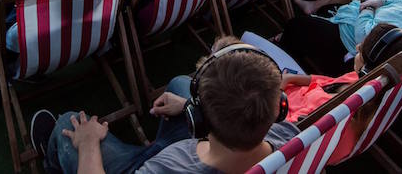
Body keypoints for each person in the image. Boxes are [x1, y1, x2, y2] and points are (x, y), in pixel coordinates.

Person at [33, 36, 300, 173]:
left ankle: (53, 155)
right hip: (203, 147)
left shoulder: (162, 170)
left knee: (68, 124)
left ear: (200, 117)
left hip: (155, 160)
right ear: (280, 107)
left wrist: (88, 143)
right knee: (180, 83)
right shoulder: (289, 134)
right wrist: (186, 104)